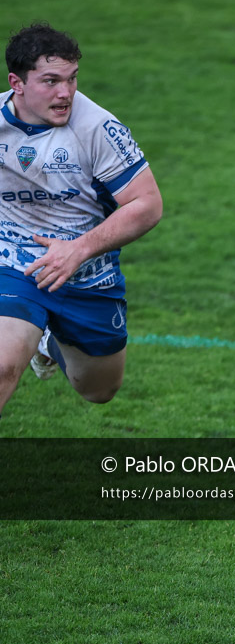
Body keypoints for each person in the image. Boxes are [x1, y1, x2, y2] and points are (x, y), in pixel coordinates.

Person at [0, 23, 162, 420]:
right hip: (15, 262)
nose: (65, 93)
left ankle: (50, 341)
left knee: (99, 389)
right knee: (2, 367)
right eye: (51, 81)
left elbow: (148, 204)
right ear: (16, 83)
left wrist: (78, 250)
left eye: (71, 79)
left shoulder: (97, 128)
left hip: (88, 274)